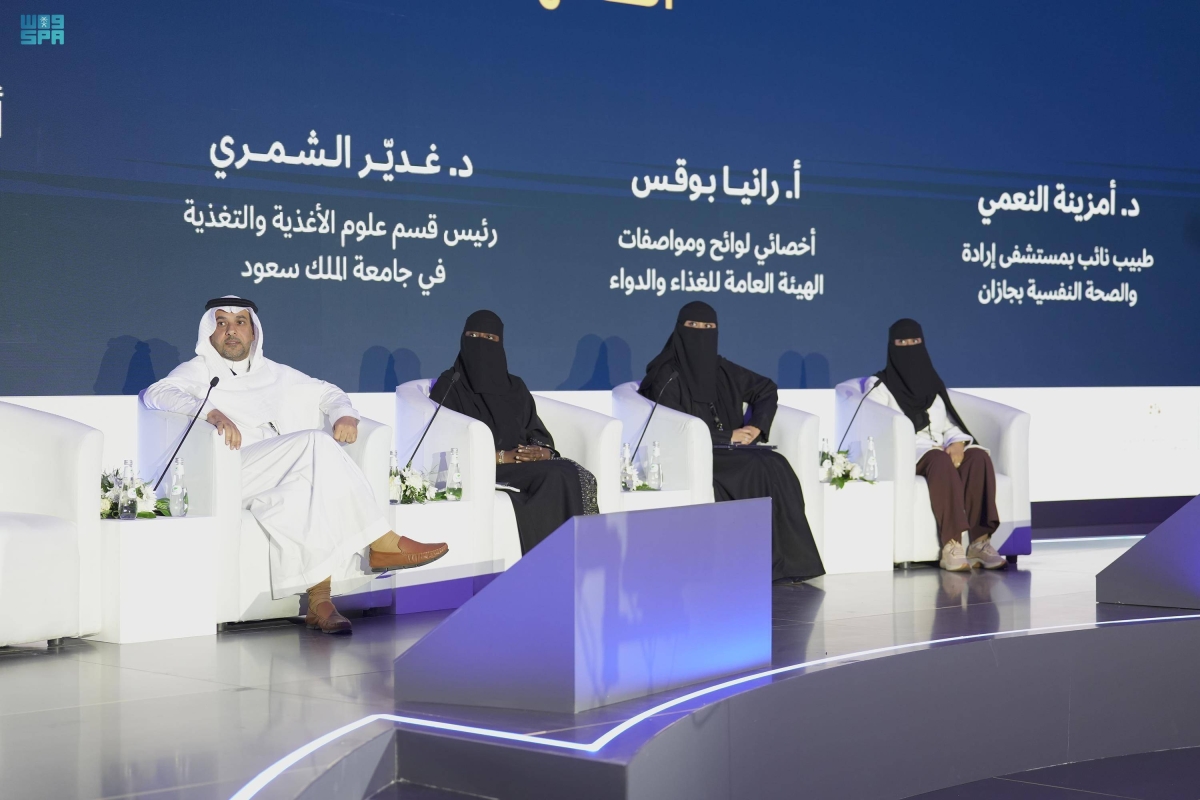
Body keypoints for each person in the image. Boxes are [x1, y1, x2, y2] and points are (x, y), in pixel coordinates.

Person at [144, 296, 448, 634]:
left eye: (240, 322)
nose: (231, 331)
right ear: (209, 333)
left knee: (304, 491)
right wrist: (210, 413)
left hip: (277, 474)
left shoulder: (277, 374)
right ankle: (381, 540)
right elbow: (157, 393)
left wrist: (345, 414)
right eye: (222, 323)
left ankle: (320, 603)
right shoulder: (198, 371)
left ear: (253, 332)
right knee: (315, 443)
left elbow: (329, 392)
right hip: (232, 473)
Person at [638, 301, 825, 583]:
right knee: (754, 467)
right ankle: (757, 564)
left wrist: (756, 427)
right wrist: (727, 436)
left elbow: (766, 388)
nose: (701, 332)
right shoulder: (666, 374)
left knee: (776, 463)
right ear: (679, 329)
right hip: (696, 453)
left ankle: (793, 563)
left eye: (708, 326)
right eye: (693, 326)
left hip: (732, 449)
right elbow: (673, 427)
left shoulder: (722, 369)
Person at [432, 310, 598, 553]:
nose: (481, 344)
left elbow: (535, 429)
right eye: (473, 336)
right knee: (555, 476)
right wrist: (502, 456)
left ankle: (580, 553)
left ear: (500, 343)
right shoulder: (451, 384)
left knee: (572, 471)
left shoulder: (515, 387)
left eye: (489, 338)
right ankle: (547, 558)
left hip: (523, 465)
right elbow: (444, 442)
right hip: (484, 466)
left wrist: (541, 452)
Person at [865, 318, 1003, 572]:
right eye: (902, 342)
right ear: (891, 346)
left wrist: (957, 442)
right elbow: (881, 429)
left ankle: (980, 543)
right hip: (911, 453)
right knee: (938, 459)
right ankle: (952, 545)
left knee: (978, 457)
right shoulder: (879, 387)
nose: (909, 347)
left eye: (915, 341)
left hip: (939, 448)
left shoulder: (932, 383)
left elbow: (948, 424)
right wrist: (934, 448)